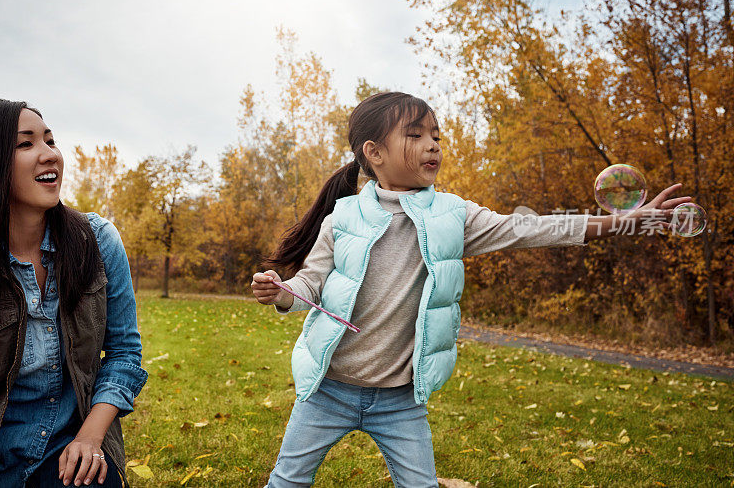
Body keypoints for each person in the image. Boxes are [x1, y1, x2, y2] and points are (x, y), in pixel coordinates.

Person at [251, 92, 689, 487]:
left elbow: (529, 228)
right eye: (416, 134)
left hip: (401, 399)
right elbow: (310, 282)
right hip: (328, 390)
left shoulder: (453, 215)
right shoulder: (342, 218)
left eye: (436, 135)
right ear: (375, 152)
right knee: (288, 480)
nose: (434, 144)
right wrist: (282, 291)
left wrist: (625, 220)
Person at [0, 100, 148, 487]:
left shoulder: (98, 242)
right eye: (26, 144)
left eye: (50, 140)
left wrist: (89, 437)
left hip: (70, 458)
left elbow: (124, 354)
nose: (50, 155)